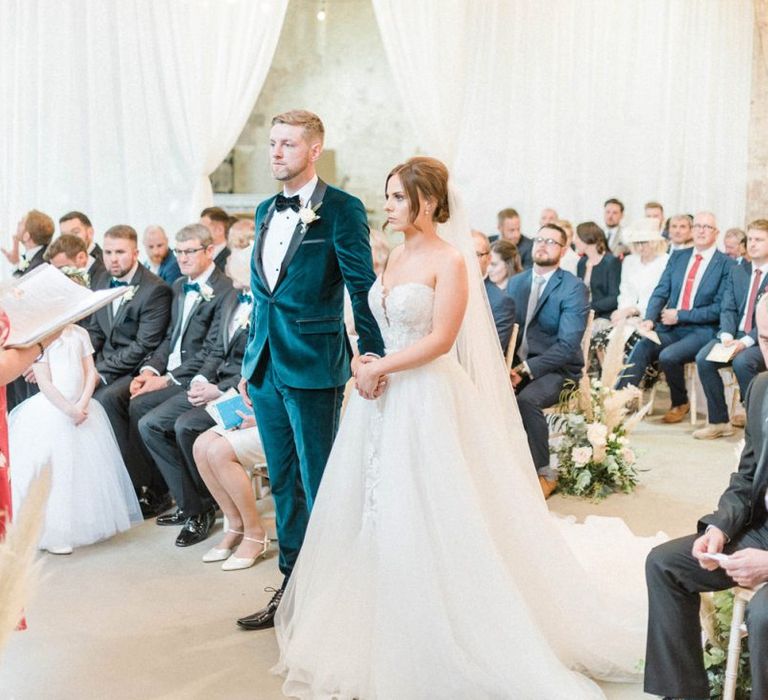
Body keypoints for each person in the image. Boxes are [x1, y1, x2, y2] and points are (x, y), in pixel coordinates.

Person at [272, 156, 661, 698]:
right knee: (373, 504)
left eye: (397, 197)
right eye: (386, 197)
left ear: (427, 202)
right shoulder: (394, 256)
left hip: (425, 395)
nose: (387, 206)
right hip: (378, 396)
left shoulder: (450, 260)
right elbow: (379, 323)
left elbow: (438, 340)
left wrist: (381, 366)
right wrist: (364, 359)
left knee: (430, 507)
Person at [236, 110, 385, 632]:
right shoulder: (262, 210)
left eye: (288, 144)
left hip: (315, 365)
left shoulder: (341, 209)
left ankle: (337, 596)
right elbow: (262, 294)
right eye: (272, 144)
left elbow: (361, 286)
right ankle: (292, 588)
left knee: (321, 482)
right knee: (283, 484)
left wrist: (371, 354)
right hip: (266, 367)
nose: (276, 153)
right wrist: (249, 359)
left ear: (314, 149)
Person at [644, 297, 768, 700]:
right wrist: (719, 526)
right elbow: (748, 478)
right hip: (762, 531)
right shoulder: (762, 387)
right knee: (665, 564)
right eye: (766, 338)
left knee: (765, 615)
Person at [9, 278, 141, 554]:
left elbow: (90, 371)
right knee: (55, 469)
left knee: (82, 470)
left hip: (82, 408)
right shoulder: (42, 340)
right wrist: (67, 409)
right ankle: (54, 532)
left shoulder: (80, 335)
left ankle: (83, 523)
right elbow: (44, 381)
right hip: (53, 409)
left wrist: (82, 403)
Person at [137, 243, 249, 548]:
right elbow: (214, 349)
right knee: (150, 423)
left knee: (185, 426)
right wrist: (201, 380)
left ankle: (202, 509)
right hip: (211, 382)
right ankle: (192, 504)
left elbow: (258, 362)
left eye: (236, 272)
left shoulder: (258, 305)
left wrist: (220, 390)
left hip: (240, 393)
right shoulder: (232, 300)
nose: (229, 276)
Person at [617, 212, 734, 423]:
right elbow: (660, 291)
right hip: (670, 326)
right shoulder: (678, 257)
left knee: (669, 356)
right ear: (692, 230)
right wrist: (650, 318)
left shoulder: (726, 264)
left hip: (703, 330)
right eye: (697, 225)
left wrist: (680, 315)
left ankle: (680, 402)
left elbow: (719, 308)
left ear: (716, 233)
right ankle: (617, 402)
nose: (700, 230)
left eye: (706, 227)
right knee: (643, 345)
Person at [88, 225, 173, 517]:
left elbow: (143, 345)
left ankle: (140, 485)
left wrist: (98, 372)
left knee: (106, 398)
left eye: (120, 252)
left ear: (135, 253)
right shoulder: (99, 278)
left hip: (136, 369)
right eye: (109, 252)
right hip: (106, 364)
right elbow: (96, 330)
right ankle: (102, 481)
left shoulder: (155, 289)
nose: (113, 259)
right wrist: (83, 364)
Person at [507, 223, 590, 496]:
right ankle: (506, 467)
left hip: (559, 370)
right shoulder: (517, 281)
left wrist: (526, 370)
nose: (543, 245)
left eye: (552, 242)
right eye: (540, 239)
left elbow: (567, 345)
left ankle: (544, 472)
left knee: (525, 400)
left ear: (564, 250)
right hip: (516, 365)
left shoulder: (573, 288)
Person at [694, 219, 768, 439]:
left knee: (742, 362)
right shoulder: (739, 270)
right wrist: (726, 335)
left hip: (762, 338)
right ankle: (719, 422)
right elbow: (728, 307)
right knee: (704, 358)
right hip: (734, 334)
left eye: (760, 240)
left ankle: (755, 423)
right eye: (750, 239)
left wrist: (745, 343)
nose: (753, 244)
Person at [194, 414, 270, 571]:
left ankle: (255, 533)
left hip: (279, 416)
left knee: (219, 452)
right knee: (200, 445)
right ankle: (236, 525)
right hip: (255, 410)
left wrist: (261, 418)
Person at [611, 218, 668, 324]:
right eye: (637, 243)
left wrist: (635, 311)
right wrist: (623, 311)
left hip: (654, 318)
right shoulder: (629, 261)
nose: (640, 248)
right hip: (628, 317)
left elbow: (662, 297)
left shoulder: (666, 262)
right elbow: (625, 291)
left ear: (654, 242)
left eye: (644, 243)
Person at [472, 230, 515, 351]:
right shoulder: (446, 289)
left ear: (489, 258)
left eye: (476, 255)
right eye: (465, 253)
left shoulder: (501, 301)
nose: (469, 260)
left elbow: (493, 351)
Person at [574, 221, 621, 321]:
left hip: (604, 316)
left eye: (577, 237)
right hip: (584, 314)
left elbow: (614, 298)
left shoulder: (611, 262)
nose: (574, 241)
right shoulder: (582, 262)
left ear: (587, 238)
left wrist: (589, 308)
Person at [2, 210, 55, 278]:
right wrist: (16, 262)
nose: (18, 223)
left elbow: (21, 286)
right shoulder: (40, 255)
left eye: (21, 222)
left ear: (26, 236)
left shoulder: (40, 265)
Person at [199, 206, 231, 272]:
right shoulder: (199, 253)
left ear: (219, 230)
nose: (199, 232)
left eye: (203, 228)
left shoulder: (231, 258)